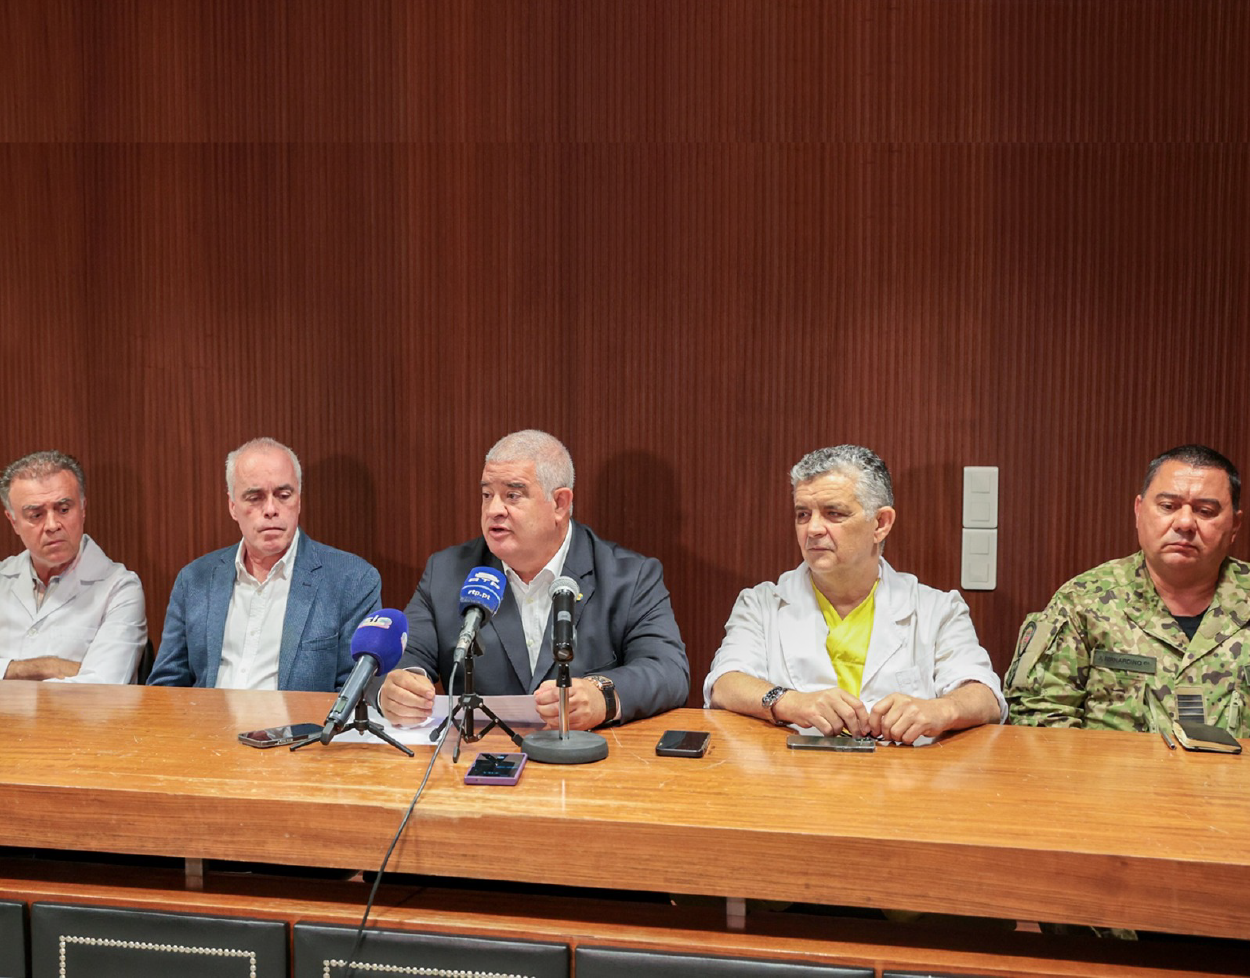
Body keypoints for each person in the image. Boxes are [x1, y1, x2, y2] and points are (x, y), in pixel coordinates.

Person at [377, 429, 689, 729]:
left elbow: (668, 670)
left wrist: (601, 695)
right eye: (487, 494)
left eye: (513, 495)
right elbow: (395, 662)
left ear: (560, 504)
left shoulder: (629, 577)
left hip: (587, 756)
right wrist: (395, 690)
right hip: (478, 755)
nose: (494, 510)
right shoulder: (447, 573)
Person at [704, 445, 1003, 745]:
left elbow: (985, 697)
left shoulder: (937, 610)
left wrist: (939, 710)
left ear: (880, 524)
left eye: (834, 513)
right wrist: (791, 702)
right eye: (803, 514)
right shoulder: (760, 604)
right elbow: (724, 685)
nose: (813, 529)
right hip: (792, 771)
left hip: (903, 772)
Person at [1007, 444, 1249, 734]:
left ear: (1235, 525)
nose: (1185, 523)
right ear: (1139, 511)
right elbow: (1037, 718)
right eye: (1168, 506)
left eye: (1205, 511)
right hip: (1109, 766)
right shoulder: (1083, 601)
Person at [147, 437, 381, 691]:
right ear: (233, 506)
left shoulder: (351, 580)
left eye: (283, 495)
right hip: (206, 717)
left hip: (298, 719)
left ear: (299, 500)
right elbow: (166, 685)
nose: (271, 509)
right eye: (255, 497)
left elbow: (355, 692)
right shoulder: (194, 580)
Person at [0, 450, 147, 683]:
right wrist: (45, 667)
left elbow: (102, 686)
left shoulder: (120, 588)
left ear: (83, 509)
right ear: (13, 521)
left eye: (64, 509)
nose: (52, 525)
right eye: (36, 515)